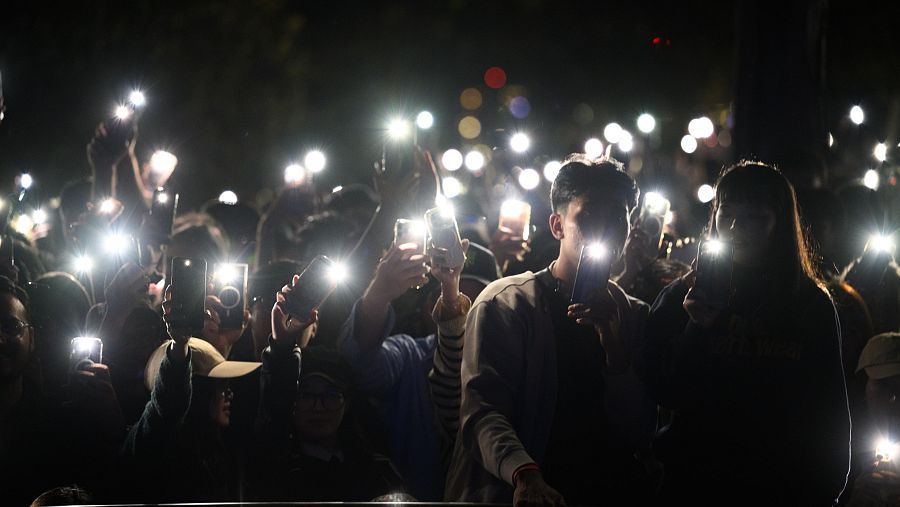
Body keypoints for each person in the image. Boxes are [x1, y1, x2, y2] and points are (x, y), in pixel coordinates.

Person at [445, 154, 657, 505]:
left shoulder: (634, 315)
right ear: (557, 225)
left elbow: (640, 429)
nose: (604, 229)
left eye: (617, 217)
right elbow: (482, 410)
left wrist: (614, 346)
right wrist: (523, 473)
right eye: (589, 216)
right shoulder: (506, 303)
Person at [643, 161, 851, 505]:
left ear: (779, 223)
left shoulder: (808, 305)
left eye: (754, 217)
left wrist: (825, 490)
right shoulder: (683, 295)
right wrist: (696, 328)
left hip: (781, 487)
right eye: (728, 215)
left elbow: (827, 410)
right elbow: (665, 392)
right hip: (694, 482)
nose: (737, 228)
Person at [337, 225, 474, 500]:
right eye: (451, 296)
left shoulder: (509, 364)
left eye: (474, 299)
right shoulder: (411, 356)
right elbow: (362, 364)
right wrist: (379, 293)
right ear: (428, 308)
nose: (461, 307)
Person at [251, 287, 405, 501]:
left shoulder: (377, 471)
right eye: (306, 395)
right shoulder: (275, 465)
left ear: (348, 402)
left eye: (331, 396)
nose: (318, 407)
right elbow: (274, 406)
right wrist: (282, 348)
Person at [120, 289, 261, 503]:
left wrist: (226, 342)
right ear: (195, 390)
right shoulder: (153, 442)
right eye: (219, 384)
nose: (230, 393)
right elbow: (168, 406)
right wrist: (179, 349)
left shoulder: (216, 447)